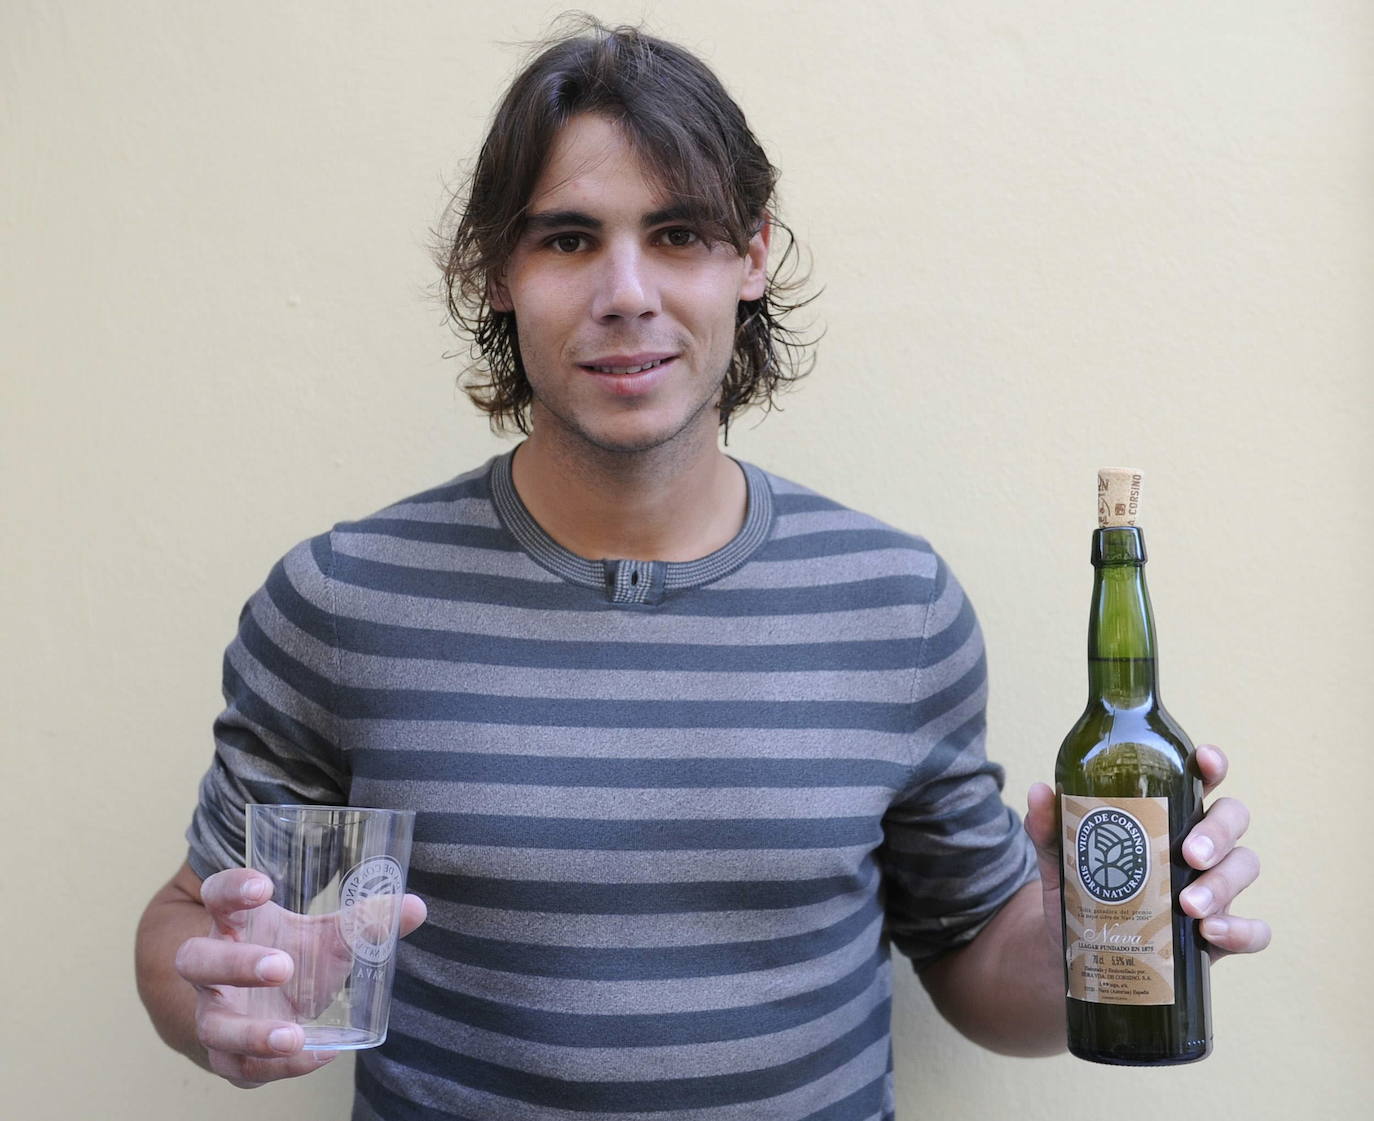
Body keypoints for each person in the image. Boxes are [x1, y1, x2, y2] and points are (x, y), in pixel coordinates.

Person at [135, 18, 1269, 1119]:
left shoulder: (899, 604)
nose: (627, 291)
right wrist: (216, 1000)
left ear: (751, 258)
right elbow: (191, 919)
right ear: (495, 273)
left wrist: (1106, 925)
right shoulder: (342, 598)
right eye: (568, 238)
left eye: (678, 234)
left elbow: (984, 974)